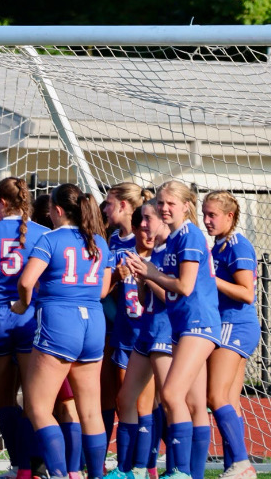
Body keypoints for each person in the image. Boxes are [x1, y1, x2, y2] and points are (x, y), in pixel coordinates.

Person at [10, 183, 113, 479]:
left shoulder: (49, 239)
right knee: (90, 410)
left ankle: (57, 473)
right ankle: (95, 474)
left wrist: (21, 305)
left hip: (59, 321)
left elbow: (27, 282)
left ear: (56, 210)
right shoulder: (99, 241)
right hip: (93, 323)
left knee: (38, 406)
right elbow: (103, 289)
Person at [128, 182, 220, 479]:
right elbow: (165, 295)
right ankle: (190, 473)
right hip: (183, 325)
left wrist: (152, 273)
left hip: (199, 323)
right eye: (161, 203)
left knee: (170, 394)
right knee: (191, 402)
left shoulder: (190, 235)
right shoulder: (173, 241)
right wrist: (144, 277)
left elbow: (184, 286)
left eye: (170, 203)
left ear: (186, 205)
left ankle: (179, 470)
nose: (164, 208)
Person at [0, 177, 49, 479]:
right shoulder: (45, 234)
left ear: (2, 203)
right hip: (30, 316)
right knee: (35, 399)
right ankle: (34, 464)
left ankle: (17, 464)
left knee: (3, 398)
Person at [201, 192, 259, 479]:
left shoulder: (238, 245)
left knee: (215, 395)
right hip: (228, 324)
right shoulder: (219, 247)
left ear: (229, 217)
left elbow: (246, 293)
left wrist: (212, 280)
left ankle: (241, 463)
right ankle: (235, 467)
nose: (207, 220)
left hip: (235, 325)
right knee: (230, 401)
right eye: (205, 214)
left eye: (212, 215)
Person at [104, 204, 163, 479]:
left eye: (150, 228)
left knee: (147, 405)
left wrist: (148, 277)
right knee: (123, 401)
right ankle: (125, 467)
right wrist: (117, 275)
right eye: (142, 229)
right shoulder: (122, 256)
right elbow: (105, 292)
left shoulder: (162, 259)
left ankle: (144, 465)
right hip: (126, 337)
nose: (147, 235)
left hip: (151, 339)